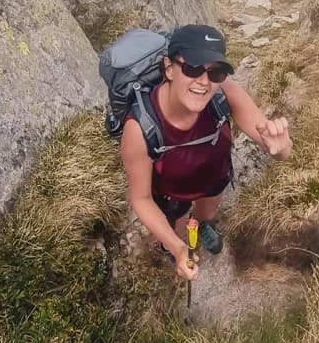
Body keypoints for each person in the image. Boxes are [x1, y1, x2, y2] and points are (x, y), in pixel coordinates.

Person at [121, 24, 293, 281]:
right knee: (176, 229)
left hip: (213, 177)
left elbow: (278, 148)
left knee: (207, 213)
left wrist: (280, 147)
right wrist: (177, 248)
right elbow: (142, 199)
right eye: (192, 68)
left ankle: (201, 226)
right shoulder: (140, 128)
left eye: (216, 72)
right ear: (169, 68)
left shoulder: (226, 95)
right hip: (172, 192)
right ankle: (177, 247)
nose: (204, 82)